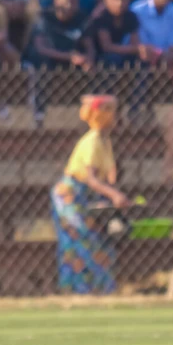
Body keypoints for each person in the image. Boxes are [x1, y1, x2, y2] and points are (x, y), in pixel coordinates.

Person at [51, 95, 125, 294]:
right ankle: (78, 289)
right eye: (111, 111)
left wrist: (111, 196)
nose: (117, 116)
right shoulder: (92, 141)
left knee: (97, 239)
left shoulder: (104, 140)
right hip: (71, 193)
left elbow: (109, 175)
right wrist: (114, 195)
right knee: (80, 239)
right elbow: (91, 178)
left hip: (86, 195)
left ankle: (99, 287)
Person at [29, 0, 93, 120]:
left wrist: (89, 59)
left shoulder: (82, 18)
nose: (70, 6)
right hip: (49, 59)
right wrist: (69, 56)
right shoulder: (44, 18)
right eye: (66, 1)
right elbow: (41, 48)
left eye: (74, 2)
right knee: (41, 64)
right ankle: (39, 113)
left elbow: (89, 45)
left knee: (101, 66)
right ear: (56, 1)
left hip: (74, 60)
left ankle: (91, 113)